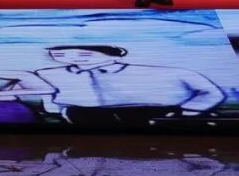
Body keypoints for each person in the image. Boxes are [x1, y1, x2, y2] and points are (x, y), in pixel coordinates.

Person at [36, 45, 224, 126]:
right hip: (80, 115)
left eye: (84, 53)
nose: (73, 58)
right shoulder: (48, 74)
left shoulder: (169, 73)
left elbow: (210, 92)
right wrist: (61, 112)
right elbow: (48, 99)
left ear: (115, 54)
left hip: (156, 115)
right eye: (59, 54)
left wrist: (187, 111)